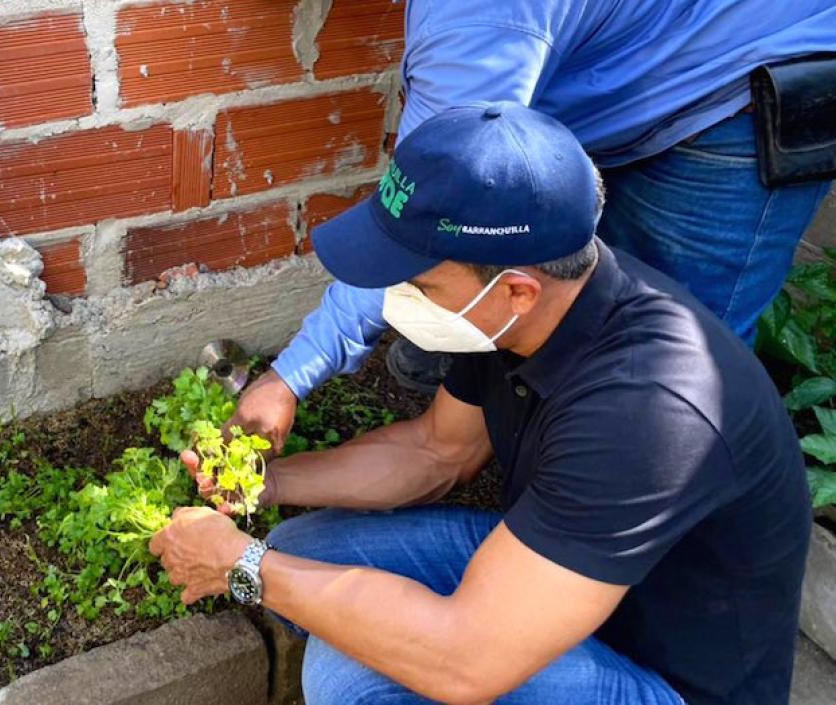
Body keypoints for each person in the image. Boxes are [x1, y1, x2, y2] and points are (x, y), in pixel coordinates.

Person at [149, 104, 812, 705]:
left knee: (350, 679)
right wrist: (266, 483)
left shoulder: (645, 412)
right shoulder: (520, 309)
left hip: (662, 673)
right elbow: (438, 449)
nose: (394, 294)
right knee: (307, 543)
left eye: (418, 280)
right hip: (568, 583)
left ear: (518, 291)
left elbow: (464, 661)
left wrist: (242, 567)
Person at [320, 0, 836, 397]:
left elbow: (432, 202)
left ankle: (653, 508)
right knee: (587, 314)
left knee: (684, 358)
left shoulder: (482, 18)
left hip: (745, 79)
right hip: (646, 56)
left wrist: (297, 372)